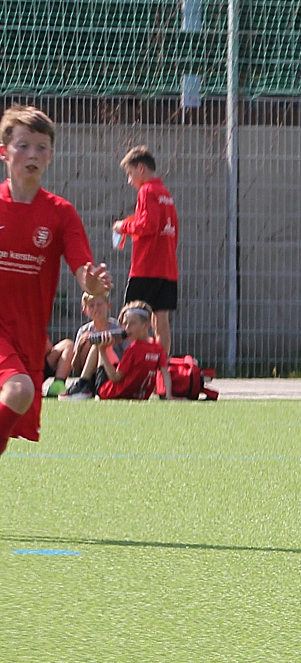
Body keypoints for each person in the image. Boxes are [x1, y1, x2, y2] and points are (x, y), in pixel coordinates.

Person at [0, 104, 112, 455]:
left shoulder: (60, 214)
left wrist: (92, 284)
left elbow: (82, 267)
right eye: (23, 146)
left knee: (14, 409)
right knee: (18, 390)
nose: (33, 154)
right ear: (4, 151)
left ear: (50, 155)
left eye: (41, 147)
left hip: (29, 338)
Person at [114, 145, 178, 398]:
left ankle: (128, 373)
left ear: (141, 169)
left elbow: (148, 225)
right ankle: (159, 379)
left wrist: (123, 226)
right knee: (161, 322)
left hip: (145, 267)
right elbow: (169, 229)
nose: (129, 181)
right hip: (167, 268)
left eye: (130, 174)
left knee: (128, 319)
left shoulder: (147, 191)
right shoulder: (166, 194)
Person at [58, 291, 125, 399]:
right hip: (90, 374)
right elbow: (75, 367)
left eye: (99, 305)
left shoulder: (117, 328)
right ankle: (86, 385)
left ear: (108, 306)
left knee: (98, 343)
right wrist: (79, 346)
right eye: (91, 306)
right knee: (90, 342)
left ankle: (86, 384)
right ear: (85, 311)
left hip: (111, 372)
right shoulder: (83, 330)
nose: (96, 309)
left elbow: (127, 354)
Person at [95, 301, 166, 401]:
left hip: (108, 392)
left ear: (146, 325)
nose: (127, 328)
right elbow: (165, 373)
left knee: (97, 346)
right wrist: (168, 395)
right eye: (125, 324)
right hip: (140, 396)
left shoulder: (133, 350)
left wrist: (102, 352)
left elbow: (115, 378)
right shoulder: (157, 348)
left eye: (132, 324)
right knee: (105, 346)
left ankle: (84, 383)